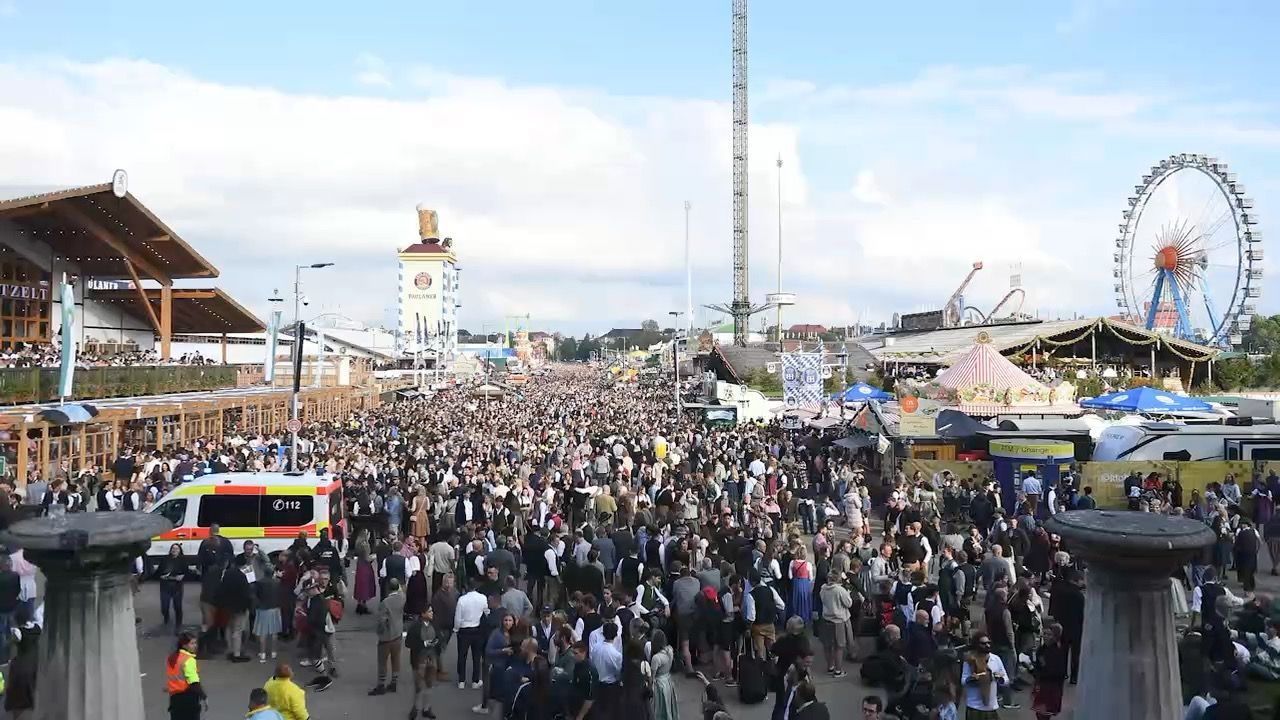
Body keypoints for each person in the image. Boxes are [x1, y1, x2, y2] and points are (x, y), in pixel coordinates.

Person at [961, 633, 1010, 719]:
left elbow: (1006, 679)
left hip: (991, 707)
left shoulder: (995, 659)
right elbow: (963, 681)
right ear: (976, 645)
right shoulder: (970, 660)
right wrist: (973, 679)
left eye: (988, 643)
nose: (987, 645)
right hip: (975, 707)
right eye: (983, 643)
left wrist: (1000, 679)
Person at [371, 577, 407, 695]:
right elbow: (401, 590)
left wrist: (379, 632)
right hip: (398, 634)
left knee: (382, 661)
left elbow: (381, 621)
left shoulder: (385, 603)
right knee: (396, 659)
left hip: (386, 636)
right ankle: (394, 683)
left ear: (388, 588)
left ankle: (381, 685)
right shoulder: (402, 598)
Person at [406, 604, 440, 720]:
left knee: (429, 684)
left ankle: (427, 708)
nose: (431, 614)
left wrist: (437, 642)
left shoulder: (435, 625)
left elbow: (440, 639)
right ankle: (415, 708)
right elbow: (408, 643)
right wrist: (424, 644)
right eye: (429, 611)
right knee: (418, 686)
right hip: (419, 660)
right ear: (423, 614)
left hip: (431, 659)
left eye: (432, 611)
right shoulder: (415, 627)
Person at [1031, 623, 1067, 720]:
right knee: (1039, 713)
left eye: (1049, 634)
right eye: (1045, 634)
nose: (1045, 636)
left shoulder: (1057, 652)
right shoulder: (1042, 649)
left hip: (1051, 687)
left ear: (1055, 637)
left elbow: (1058, 672)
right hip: (1042, 685)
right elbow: (1038, 666)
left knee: (1044, 714)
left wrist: (1043, 670)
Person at [5, 615, 38, 720]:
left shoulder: (18, 632)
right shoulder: (37, 629)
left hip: (20, 667)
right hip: (34, 664)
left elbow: (11, 643)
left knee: (16, 699)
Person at [166, 633, 205, 720]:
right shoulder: (188, 660)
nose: (195, 646)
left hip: (175, 698)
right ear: (184, 645)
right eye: (192, 643)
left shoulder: (172, 657)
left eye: (195, 643)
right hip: (189, 697)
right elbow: (194, 683)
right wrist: (203, 696)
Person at [255, 558, 283, 663]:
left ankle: (262, 654)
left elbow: (256, 596)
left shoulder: (259, 583)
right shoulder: (277, 582)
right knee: (274, 632)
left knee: (263, 633)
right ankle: (273, 652)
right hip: (275, 609)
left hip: (262, 609)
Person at [157, 543, 188, 634]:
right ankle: (166, 617)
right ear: (170, 550)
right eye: (173, 548)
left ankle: (178, 624)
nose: (174, 550)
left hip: (177, 587)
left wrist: (182, 576)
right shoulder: (165, 559)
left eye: (177, 549)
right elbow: (158, 571)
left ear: (180, 551)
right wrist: (161, 576)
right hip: (165, 586)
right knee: (164, 607)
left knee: (177, 607)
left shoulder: (183, 560)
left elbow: (187, 572)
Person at [650, 629, 679, 720]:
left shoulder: (656, 658)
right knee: (668, 706)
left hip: (659, 685)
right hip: (668, 681)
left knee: (659, 708)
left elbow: (652, 676)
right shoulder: (670, 651)